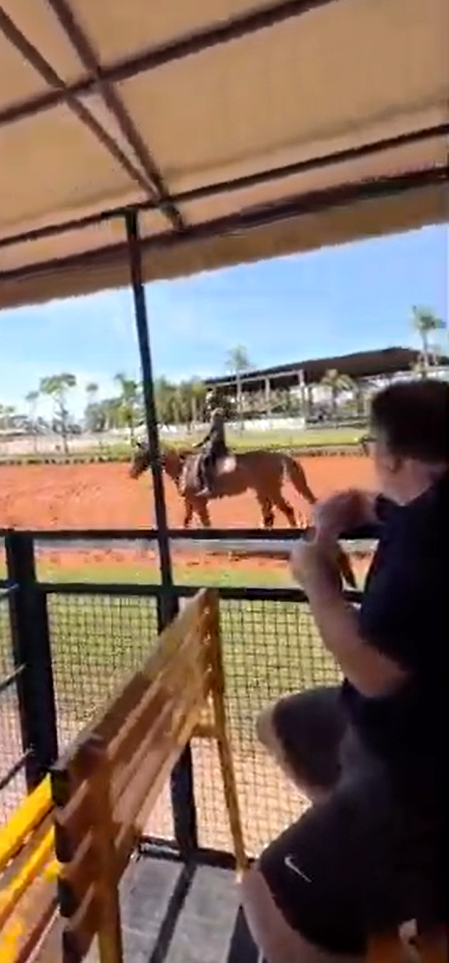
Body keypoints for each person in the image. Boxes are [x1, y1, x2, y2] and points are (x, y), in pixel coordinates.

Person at [242, 379, 448, 963]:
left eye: (371, 444)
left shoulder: (428, 549)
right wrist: (333, 518)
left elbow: (374, 676)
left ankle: (383, 864)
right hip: (411, 727)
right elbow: (367, 504)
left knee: (262, 899)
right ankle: (371, 862)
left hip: (413, 758)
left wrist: (317, 581)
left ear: (392, 456)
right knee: (277, 724)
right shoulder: (426, 502)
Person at [192, 406, 229, 497]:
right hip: (221, 445)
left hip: (216, 445)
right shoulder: (220, 419)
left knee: (204, 462)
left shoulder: (215, 419)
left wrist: (200, 444)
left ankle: (208, 487)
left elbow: (209, 434)